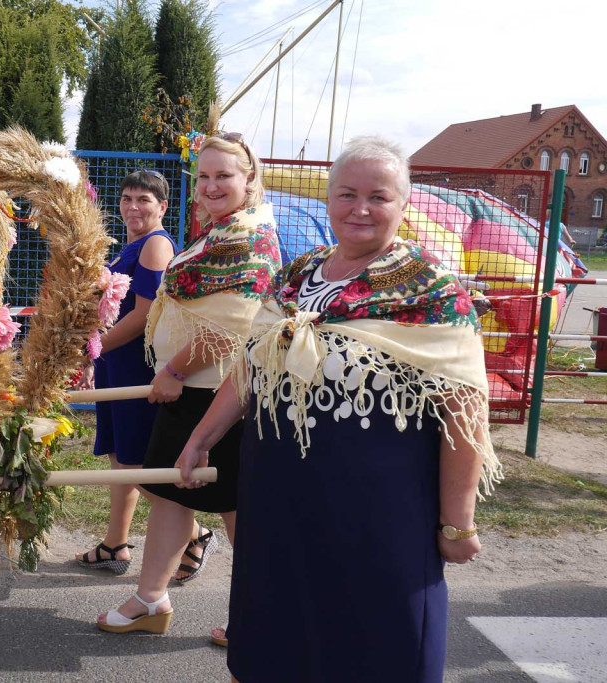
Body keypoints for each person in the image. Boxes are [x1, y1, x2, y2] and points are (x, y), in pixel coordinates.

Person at [177, 136, 502, 682]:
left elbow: (463, 413)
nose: (361, 209)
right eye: (347, 194)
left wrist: (457, 523)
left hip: (380, 516)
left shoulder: (434, 293)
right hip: (279, 501)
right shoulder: (297, 276)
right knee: (275, 639)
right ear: (329, 200)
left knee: (376, 645)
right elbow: (250, 365)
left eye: (379, 196)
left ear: (404, 203)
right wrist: (203, 435)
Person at [97, 133, 282, 635]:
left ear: (249, 178)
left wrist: (175, 369)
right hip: (197, 388)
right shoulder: (226, 229)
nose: (210, 185)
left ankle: (262, 618)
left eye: (223, 175)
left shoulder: (248, 236)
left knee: (232, 504)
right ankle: (151, 599)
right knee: (173, 495)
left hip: (216, 391)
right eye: (202, 176)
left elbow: (229, 329)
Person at [74, 170, 176, 575]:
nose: (133, 206)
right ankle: (115, 544)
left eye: (144, 200)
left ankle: (195, 535)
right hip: (116, 364)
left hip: (137, 365)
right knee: (122, 459)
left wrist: (94, 346)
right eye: (127, 198)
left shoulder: (155, 245)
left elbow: (145, 314)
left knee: (137, 462)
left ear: (162, 207)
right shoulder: (128, 247)